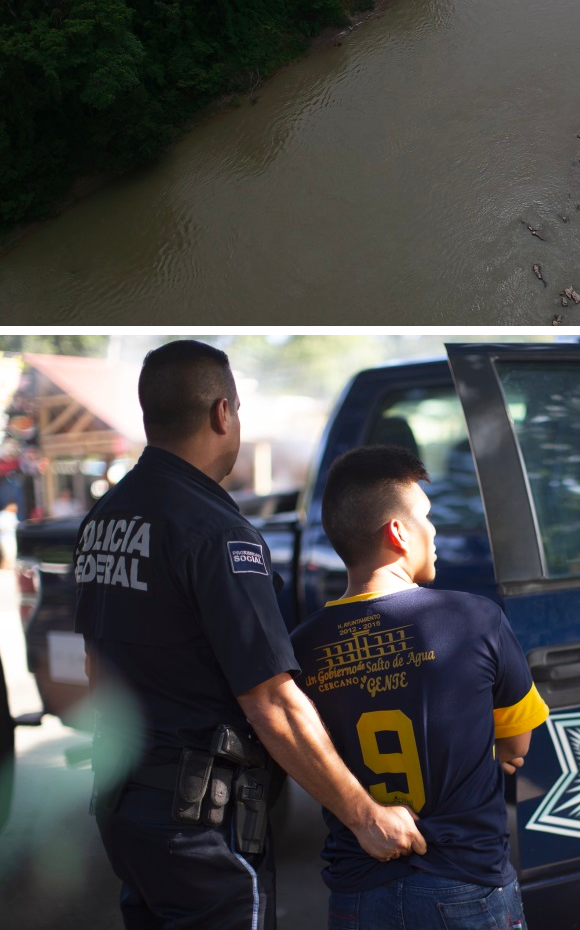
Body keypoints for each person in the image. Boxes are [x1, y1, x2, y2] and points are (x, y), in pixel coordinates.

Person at [74, 340, 424, 930]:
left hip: (124, 805)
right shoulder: (217, 534)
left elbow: (96, 668)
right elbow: (272, 701)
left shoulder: (103, 520)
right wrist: (365, 815)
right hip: (198, 827)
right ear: (222, 414)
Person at [290, 445, 549, 930]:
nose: (434, 531)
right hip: (466, 884)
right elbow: (517, 745)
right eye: (426, 517)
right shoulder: (476, 619)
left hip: (358, 889)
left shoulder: (301, 648)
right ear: (398, 533)